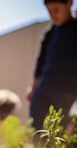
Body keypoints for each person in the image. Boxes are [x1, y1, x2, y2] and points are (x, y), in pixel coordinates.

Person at [26, 0, 77, 131]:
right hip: (45, 85)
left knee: (63, 128)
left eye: (56, 10)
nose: (52, 16)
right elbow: (40, 60)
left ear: (69, 3)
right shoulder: (49, 33)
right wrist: (32, 87)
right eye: (49, 11)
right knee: (36, 121)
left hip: (67, 91)